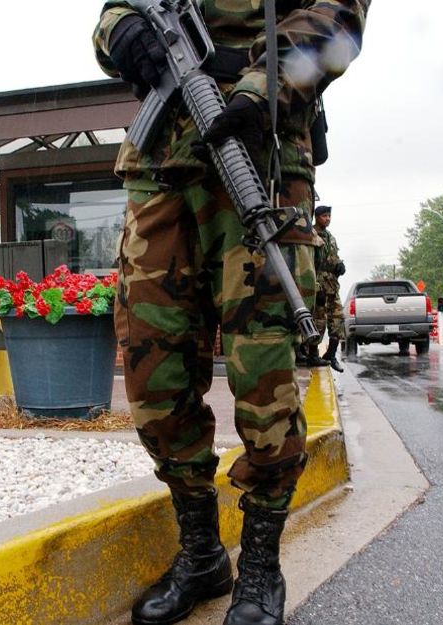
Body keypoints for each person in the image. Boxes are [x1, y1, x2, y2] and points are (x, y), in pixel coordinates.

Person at [93, 2, 369, 624]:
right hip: (160, 168)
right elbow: (111, 16)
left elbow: (338, 15)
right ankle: (201, 553)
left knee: (262, 373)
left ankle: (262, 564)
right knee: (151, 372)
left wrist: (260, 90)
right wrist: (122, 33)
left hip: (259, 153)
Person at [307, 204, 346, 372]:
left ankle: (330, 354)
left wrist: (339, 266)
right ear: (317, 217)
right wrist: (315, 287)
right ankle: (313, 355)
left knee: (338, 320)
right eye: (324, 216)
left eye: (329, 216)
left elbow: (333, 258)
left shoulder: (331, 237)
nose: (328, 219)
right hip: (318, 286)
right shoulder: (311, 235)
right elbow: (308, 262)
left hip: (332, 285)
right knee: (318, 322)